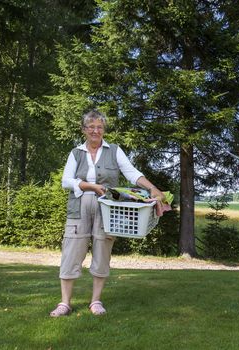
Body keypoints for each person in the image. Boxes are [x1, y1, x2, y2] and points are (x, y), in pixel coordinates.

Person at [50, 110, 165, 317]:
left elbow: (131, 173)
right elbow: (66, 181)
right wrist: (90, 186)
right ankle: (64, 303)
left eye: (100, 127)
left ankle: (95, 301)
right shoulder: (76, 152)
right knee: (72, 252)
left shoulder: (114, 150)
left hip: (107, 209)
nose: (96, 130)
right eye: (91, 127)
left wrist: (152, 188)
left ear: (104, 130)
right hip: (79, 206)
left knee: (102, 251)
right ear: (84, 130)